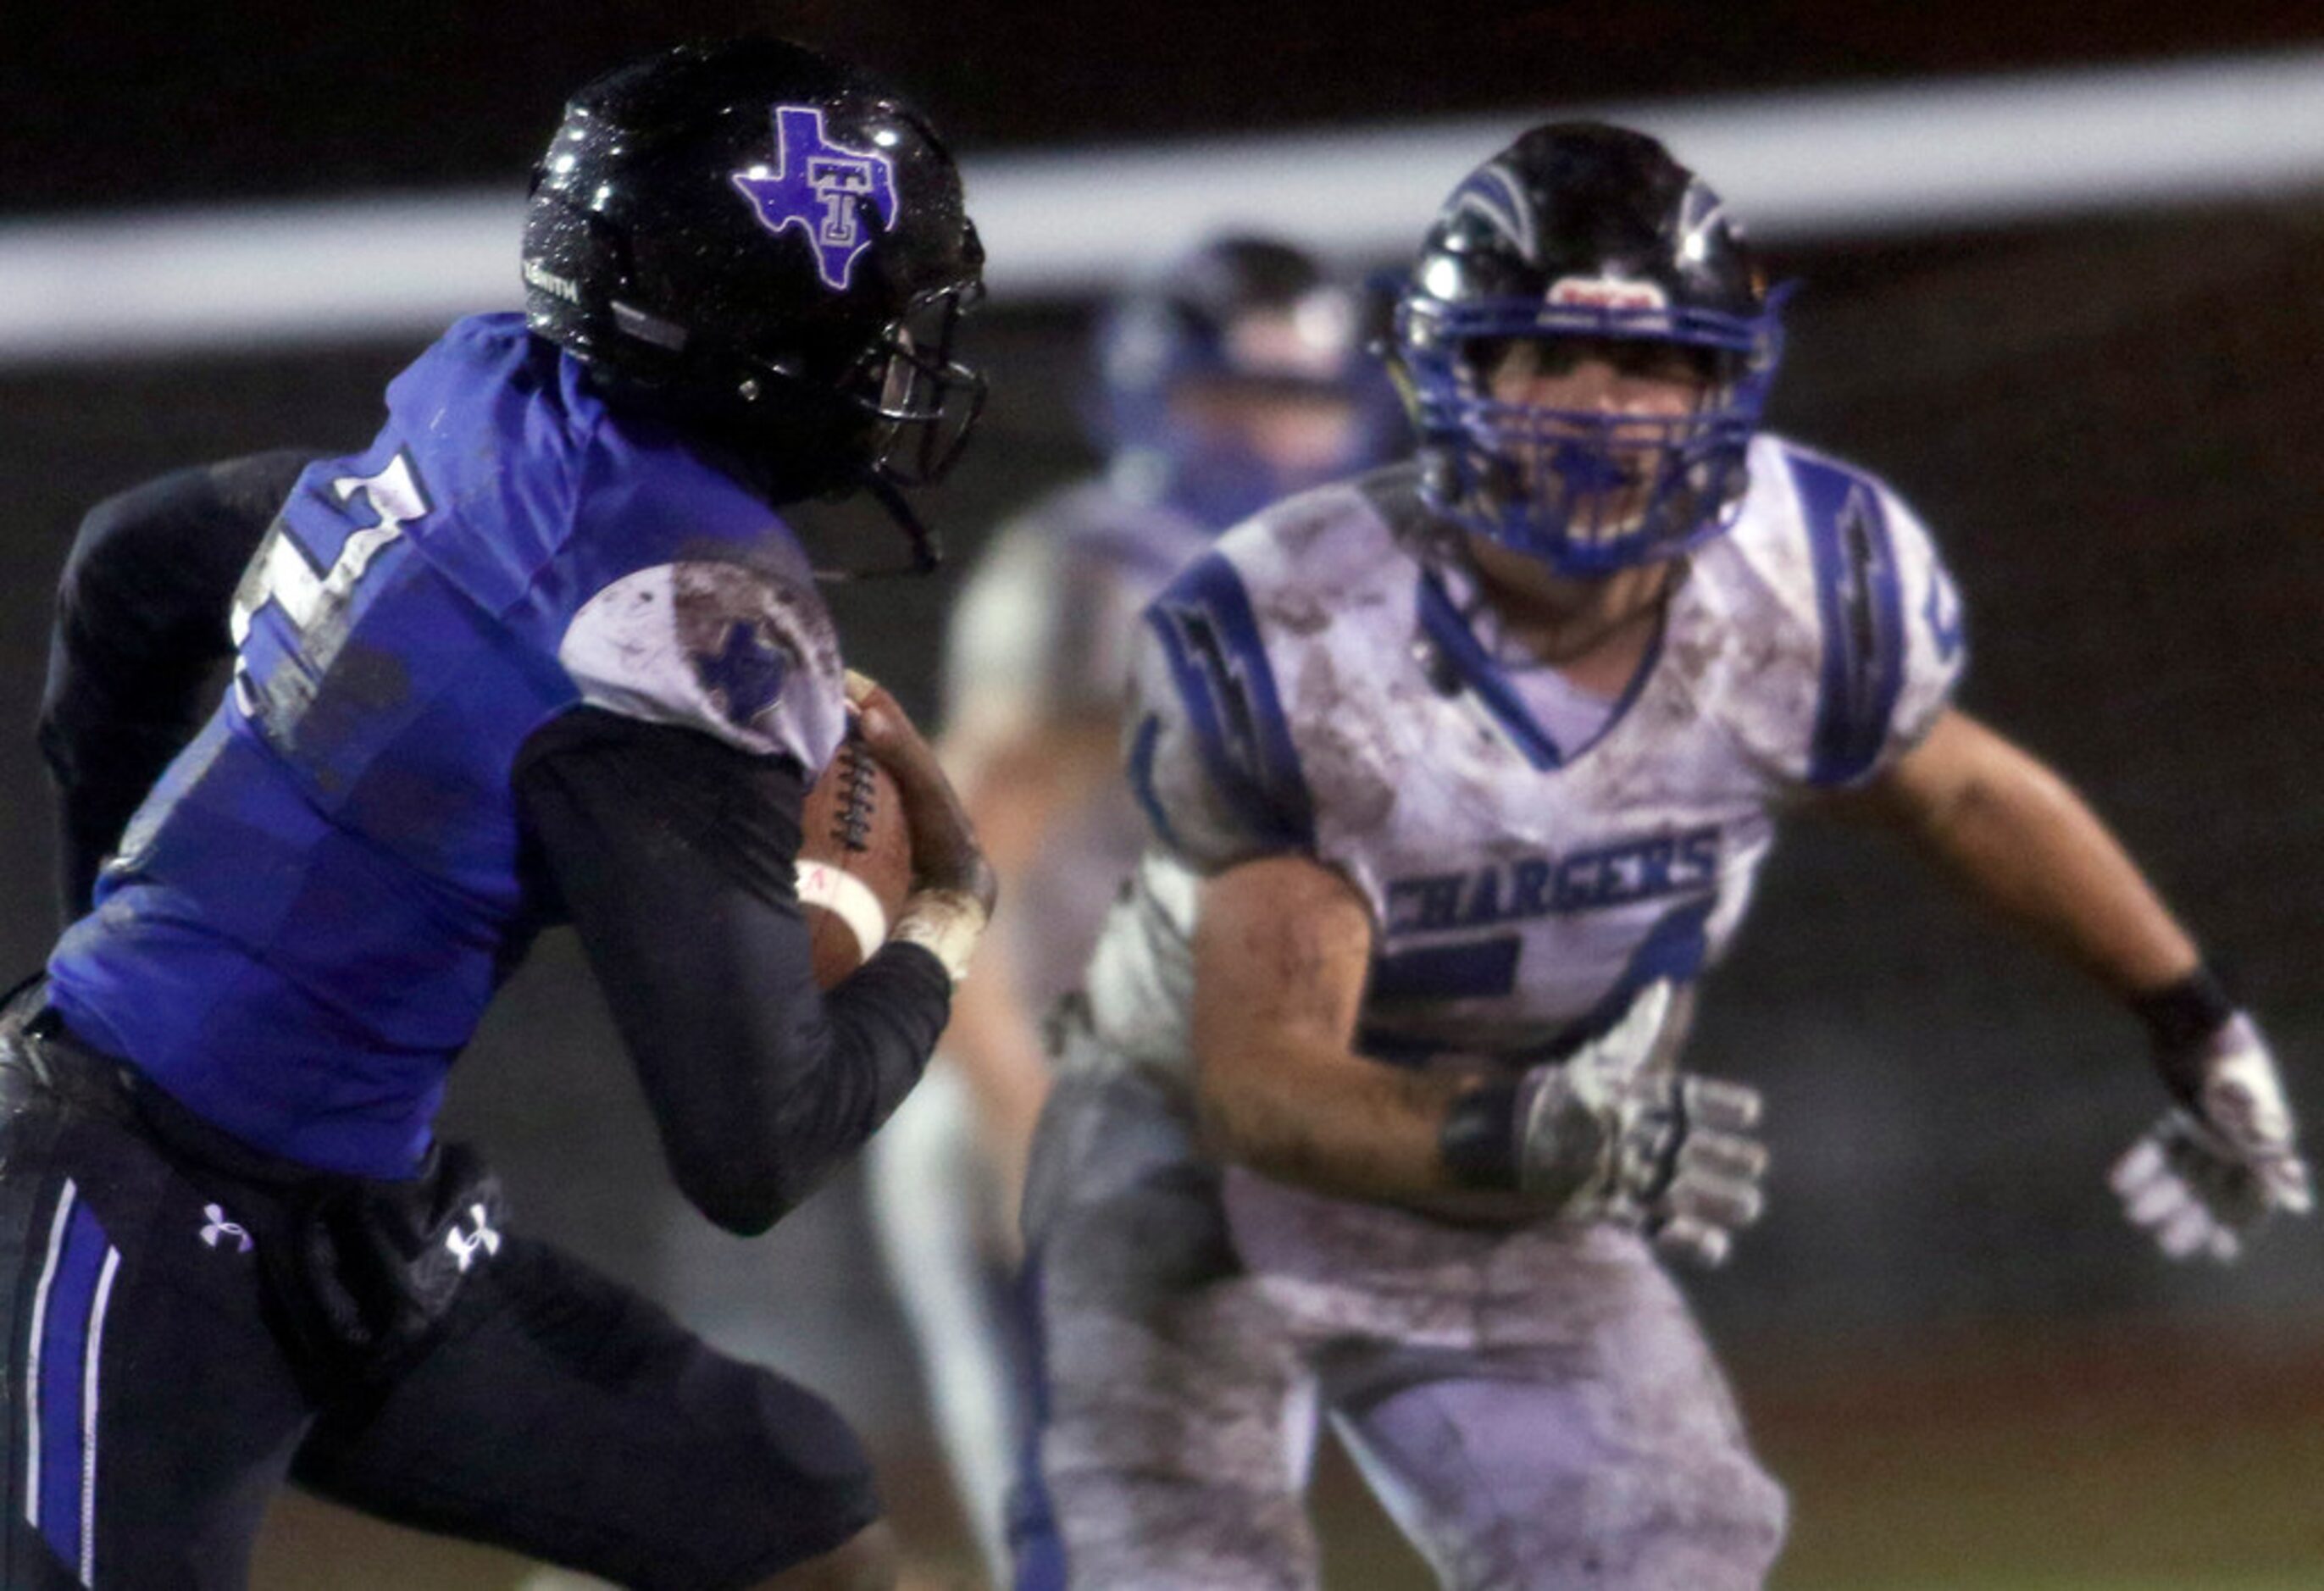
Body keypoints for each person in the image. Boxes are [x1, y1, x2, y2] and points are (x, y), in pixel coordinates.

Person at [1011, 121, 2312, 1590]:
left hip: (1521, 1173)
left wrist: (2191, 1015)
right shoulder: (1305, 630)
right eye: (1543, 358)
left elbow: (1959, 792)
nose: (1598, 410)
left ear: (1724, 380)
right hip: (1199, 1175)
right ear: (1451, 376)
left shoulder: (1805, 580)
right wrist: (1543, 1135)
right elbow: (1267, 1087)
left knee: (1660, 1560)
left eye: (1647, 365)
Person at [3, 37, 996, 1591]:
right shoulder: (691, 609)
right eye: (878, 326)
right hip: (122, 1226)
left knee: (790, 1515)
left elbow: (133, 562)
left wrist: (109, 945)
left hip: (333, 1219)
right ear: (772, 333)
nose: (895, 368)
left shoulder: (493, 396)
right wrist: (944, 920)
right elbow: (757, 1145)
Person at [859, 235, 1398, 1579]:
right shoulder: (1101, 574)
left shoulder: (1335, 584)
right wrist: (1025, 1132)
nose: (1273, 431)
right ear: (1157, 400)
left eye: (1301, 397)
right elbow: (938, 863)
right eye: (1234, 396)